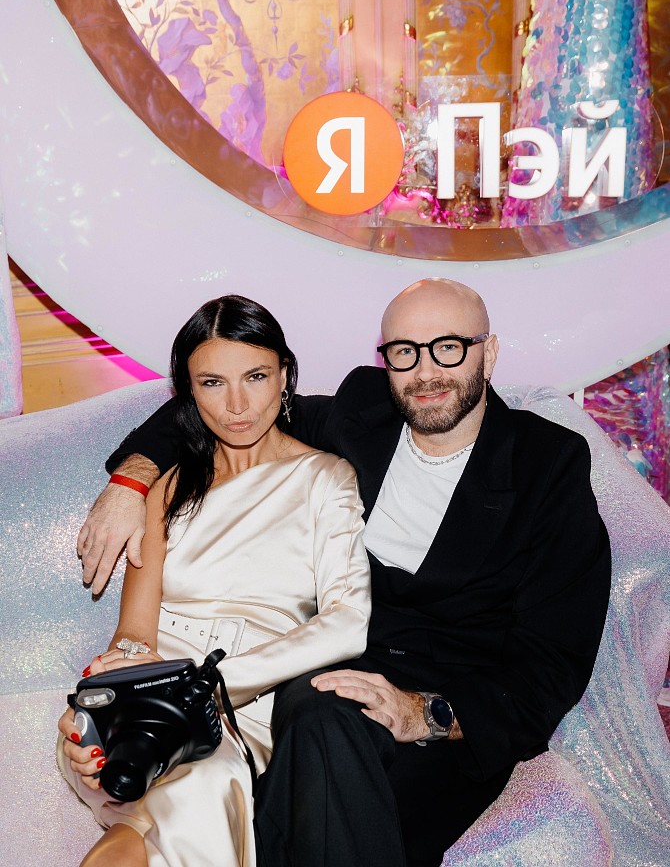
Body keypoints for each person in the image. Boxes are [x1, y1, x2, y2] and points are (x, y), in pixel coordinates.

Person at [78, 278, 611, 867]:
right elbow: (221, 404)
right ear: (385, 361)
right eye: (405, 351)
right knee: (316, 712)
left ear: (489, 353)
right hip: (327, 679)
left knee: (306, 763)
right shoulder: (362, 413)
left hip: (446, 706)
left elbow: (552, 665)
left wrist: (427, 714)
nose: (426, 371)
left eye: (449, 347)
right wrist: (130, 482)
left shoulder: (547, 465)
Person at [58, 294, 370, 867]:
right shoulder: (167, 488)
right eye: (212, 383)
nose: (237, 405)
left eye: (256, 376)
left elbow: (348, 624)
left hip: (243, 711)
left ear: (285, 375)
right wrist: (103, 703)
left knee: (196, 789)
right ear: (189, 391)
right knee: (156, 784)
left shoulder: (327, 479)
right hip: (147, 702)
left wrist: (211, 686)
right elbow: (134, 636)